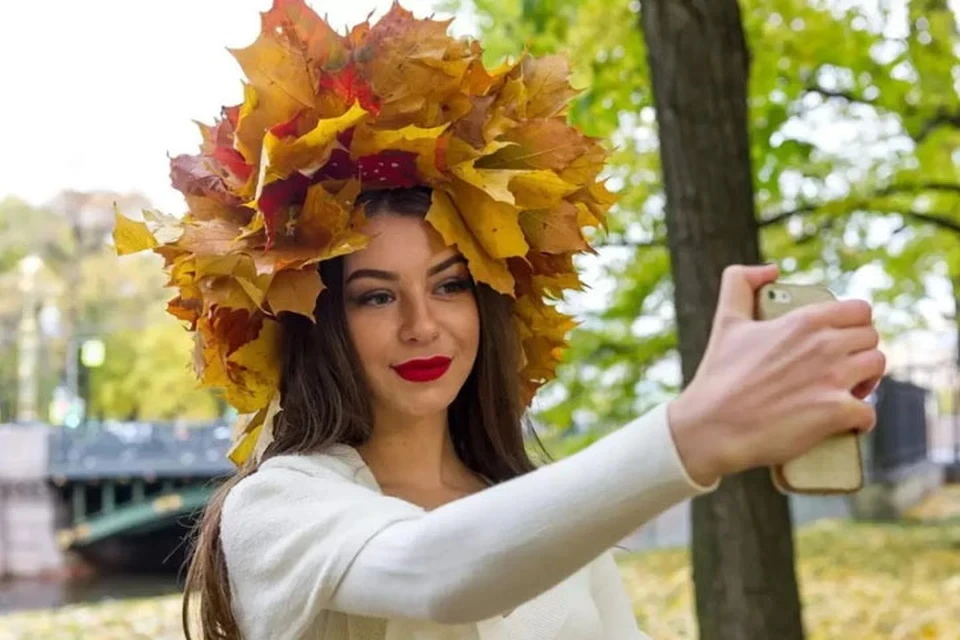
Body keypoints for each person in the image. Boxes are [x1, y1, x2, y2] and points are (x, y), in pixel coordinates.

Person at [113, 2, 884, 638]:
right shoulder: (279, 504)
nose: (423, 326)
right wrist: (694, 434)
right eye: (375, 296)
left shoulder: (543, 508)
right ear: (317, 322)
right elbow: (436, 574)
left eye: (449, 287)